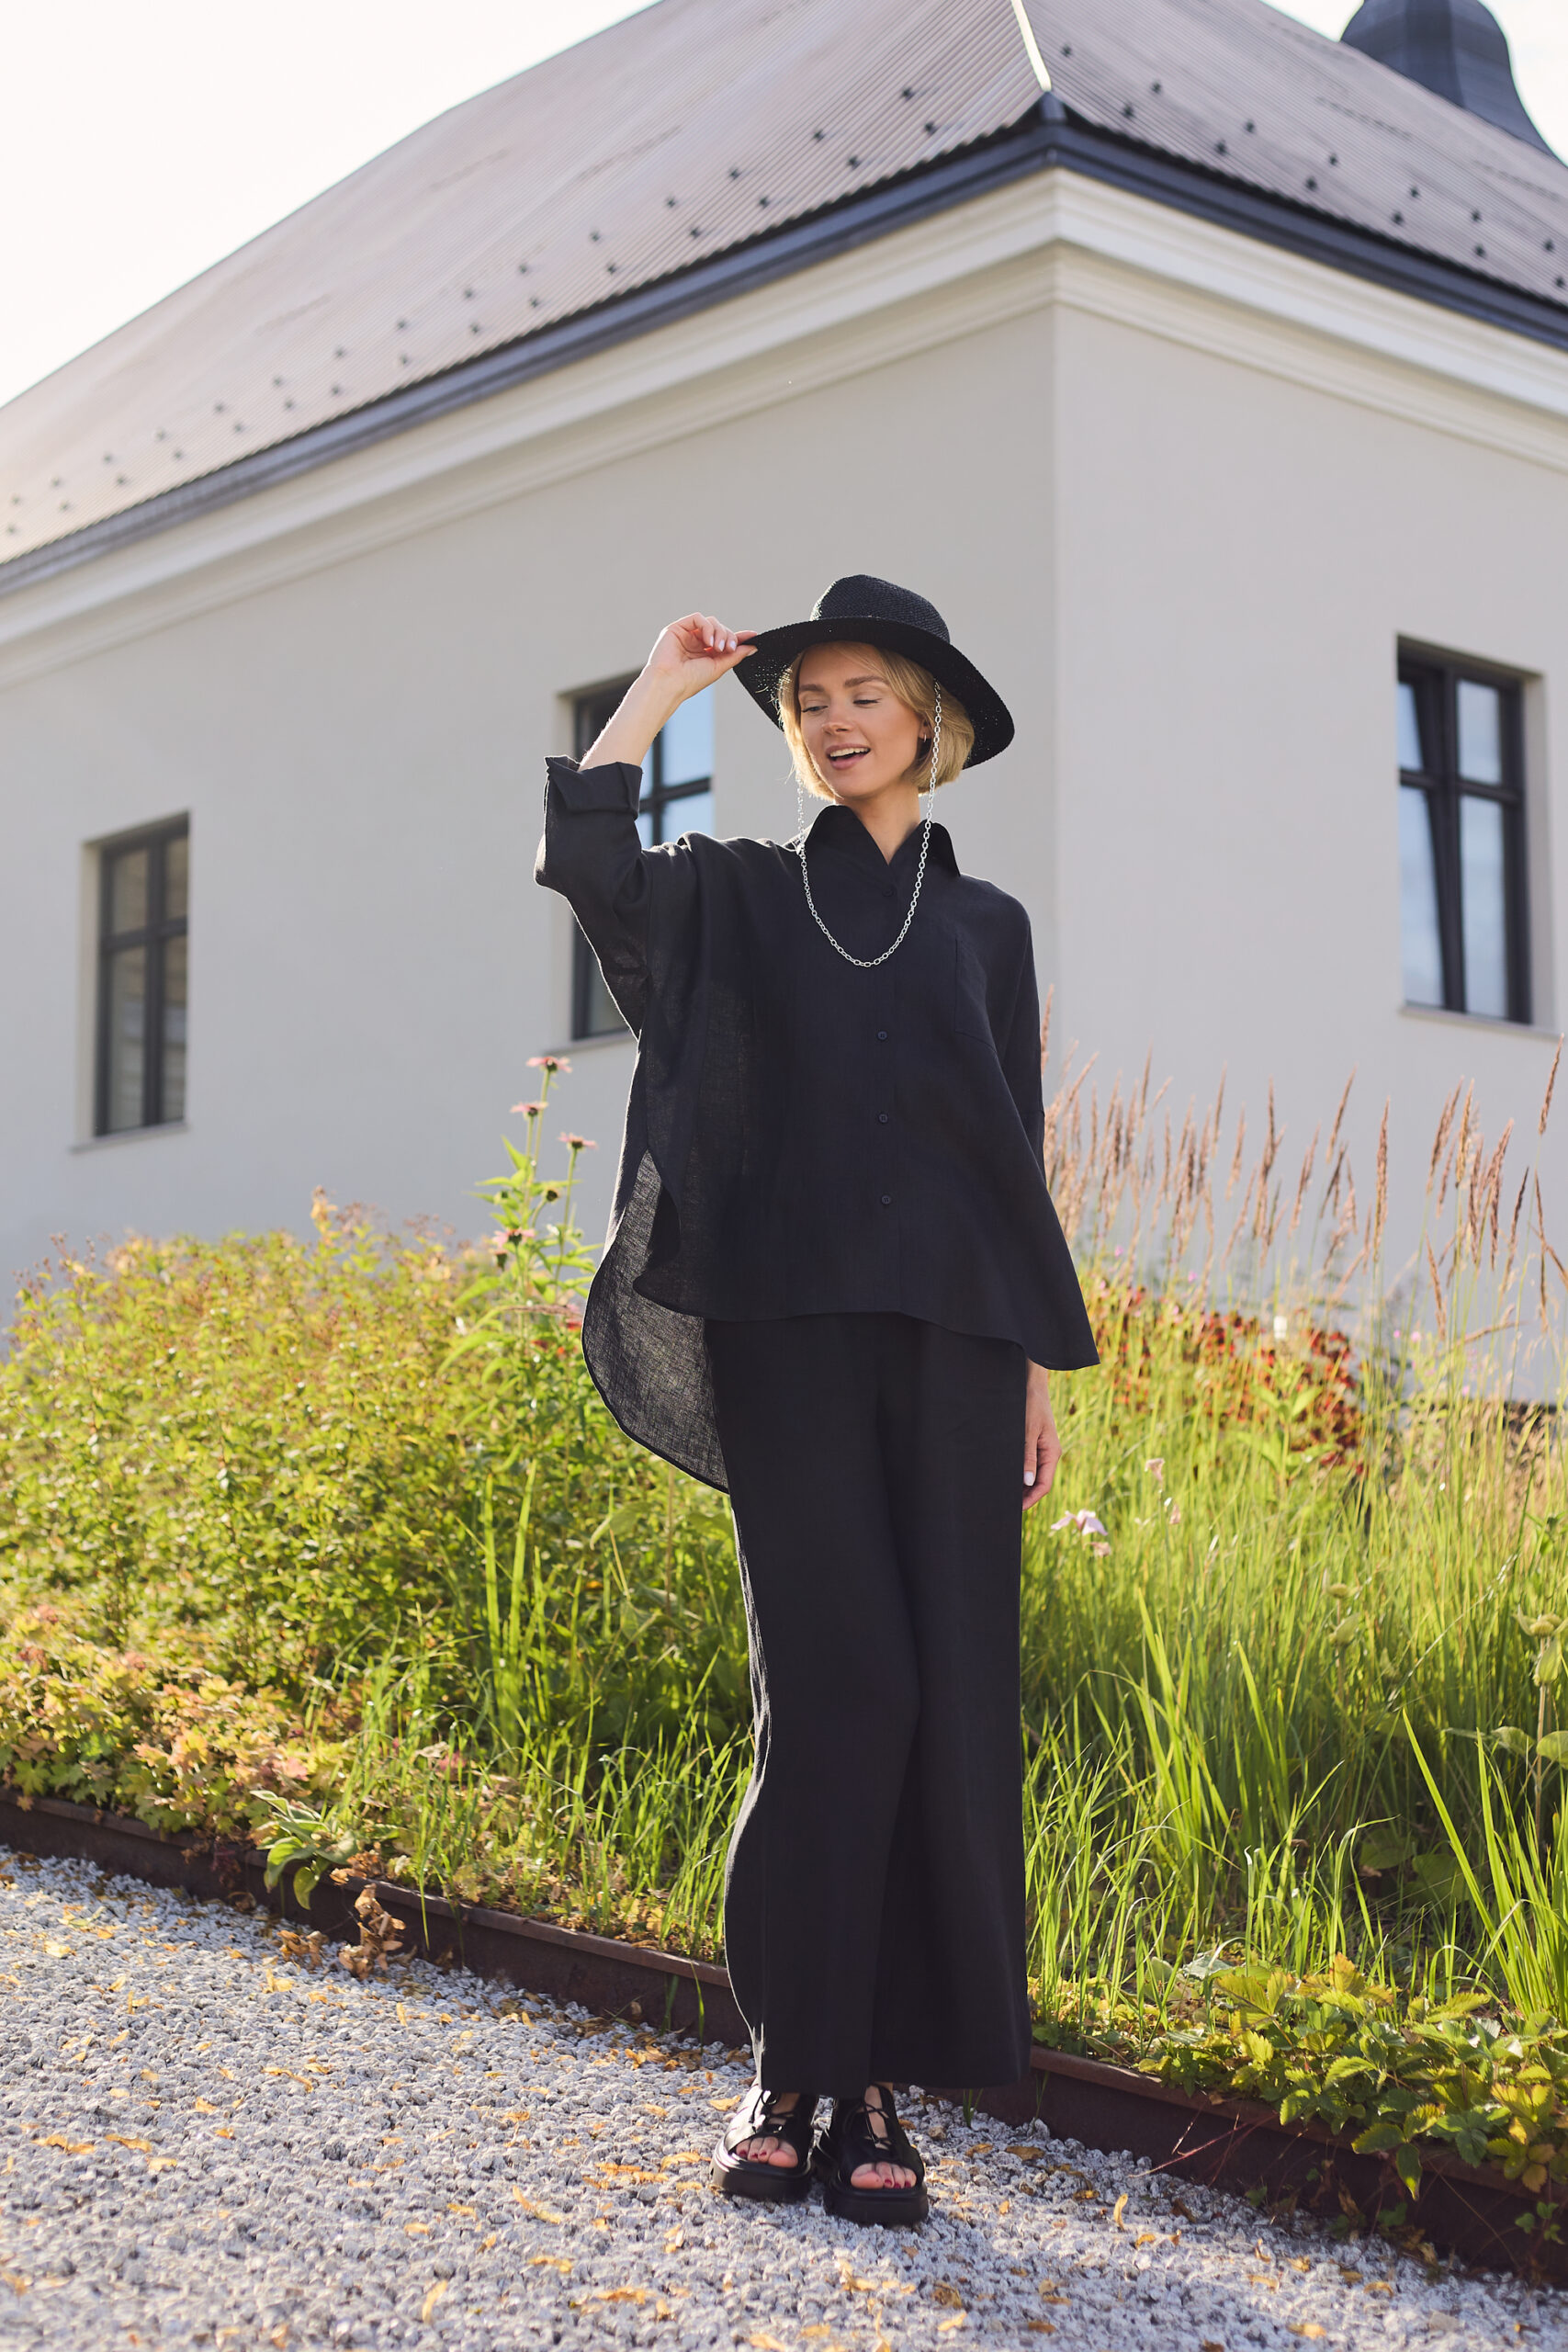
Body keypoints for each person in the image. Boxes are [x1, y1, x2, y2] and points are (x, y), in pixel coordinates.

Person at [536, 575, 1098, 2226]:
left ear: (931, 721)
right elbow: (587, 860)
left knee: (942, 1703)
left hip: (956, 1351)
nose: (835, 721)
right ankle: (792, 2069)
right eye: (809, 704)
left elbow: (1011, 1159)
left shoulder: (989, 930)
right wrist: (657, 690)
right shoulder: (743, 898)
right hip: (786, 1338)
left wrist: (1036, 1372)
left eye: (864, 695)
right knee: (843, 1688)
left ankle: (871, 2090)